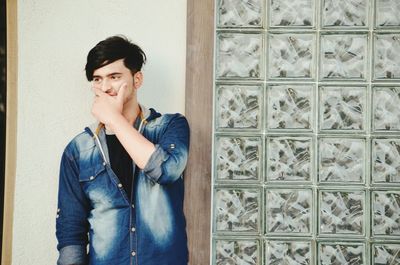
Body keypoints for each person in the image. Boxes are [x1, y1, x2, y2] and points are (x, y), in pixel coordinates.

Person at [55, 35, 190, 265]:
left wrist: (114, 120)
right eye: (97, 79)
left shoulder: (170, 126)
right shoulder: (78, 150)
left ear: (137, 79)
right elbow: (71, 231)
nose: (105, 87)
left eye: (114, 77)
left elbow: (166, 171)